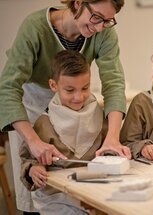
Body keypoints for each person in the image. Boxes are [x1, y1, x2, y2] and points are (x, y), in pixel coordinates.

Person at [0, 0, 130, 212]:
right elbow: (7, 89)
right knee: (37, 187)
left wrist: (112, 138)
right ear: (78, 3)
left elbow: (114, 83)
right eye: (96, 17)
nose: (99, 27)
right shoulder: (35, 28)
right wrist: (33, 141)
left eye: (107, 21)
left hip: (75, 105)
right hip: (32, 105)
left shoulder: (103, 31)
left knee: (76, 195)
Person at [20, 50, 107, 215]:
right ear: (54, 85)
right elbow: (28, 160)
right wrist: (33, 169)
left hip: (96, 192)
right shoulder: (44, 124)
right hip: (59, 198)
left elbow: (112, 147)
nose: (78, 97)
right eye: (70, 90)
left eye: (85, 88)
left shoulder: (101, 116)